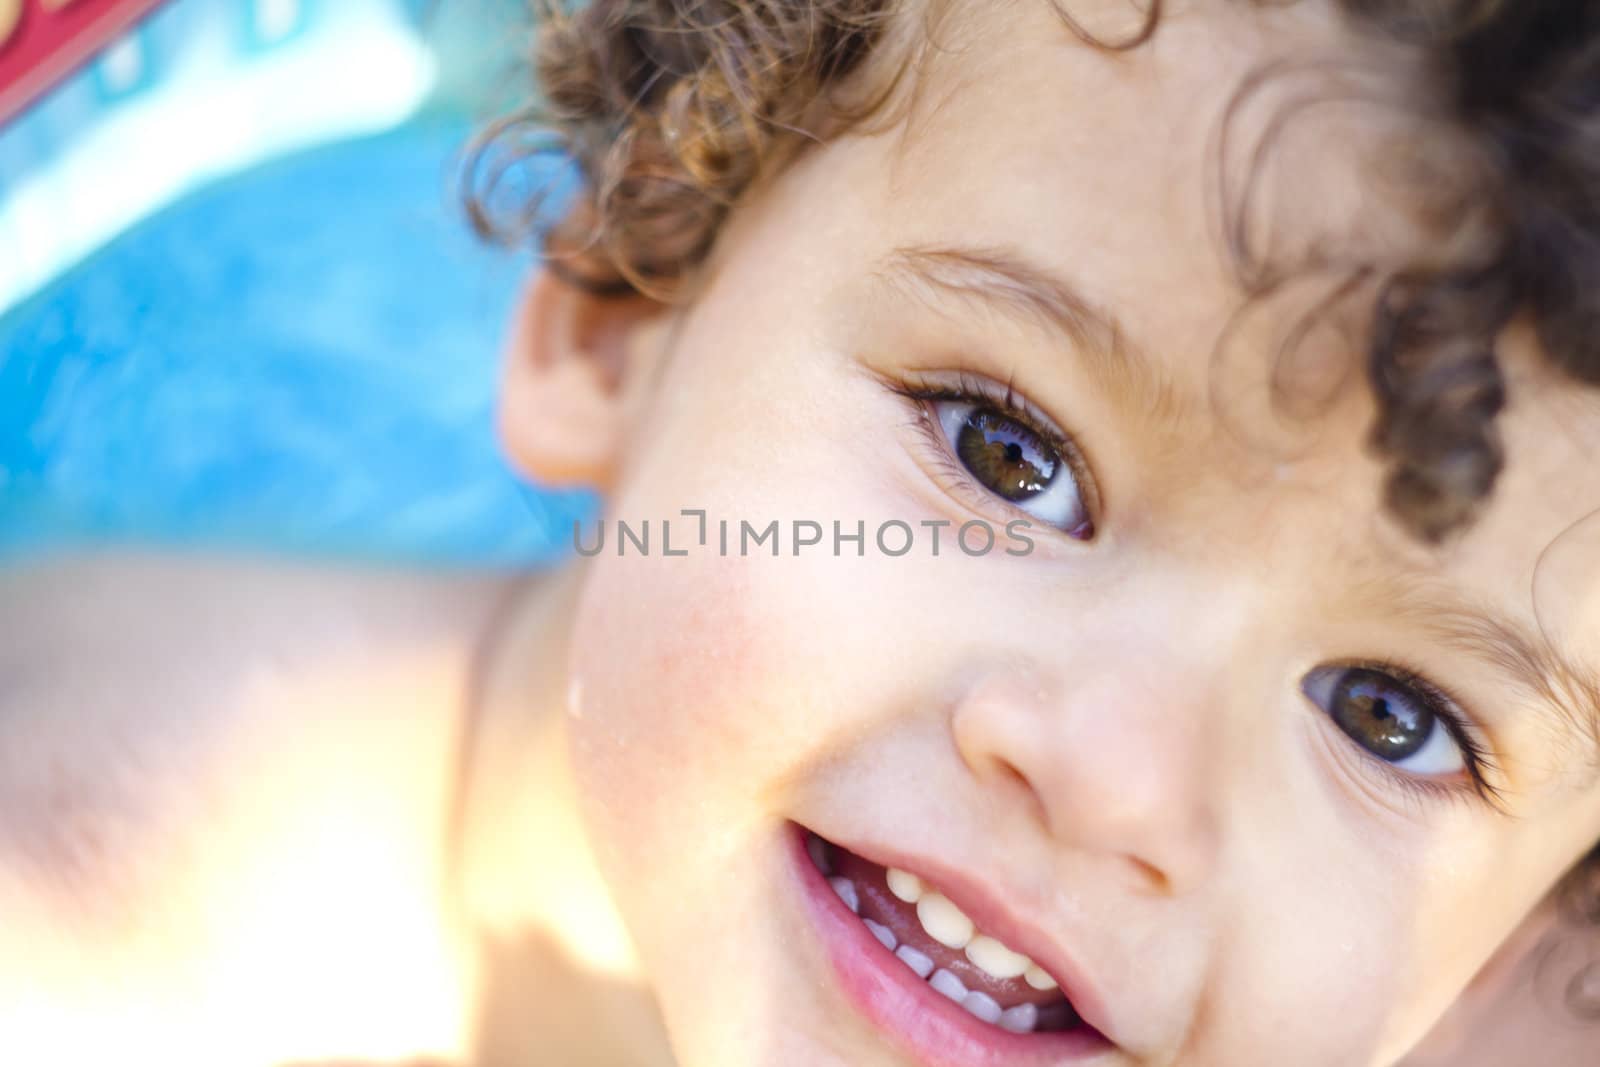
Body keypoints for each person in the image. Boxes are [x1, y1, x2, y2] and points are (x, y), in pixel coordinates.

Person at [4, 1, 1600, 1064]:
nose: (1120, 781)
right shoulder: (83, 945)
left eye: (1396, 718)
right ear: (624, 309)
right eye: (1010, 454)